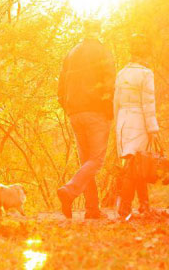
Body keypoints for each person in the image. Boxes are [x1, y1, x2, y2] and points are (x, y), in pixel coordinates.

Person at [57, 19, 116, 220]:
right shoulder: (102, 52)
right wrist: (109, 111)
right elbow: (109, 83)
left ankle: (92, 210)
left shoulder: (71, 53)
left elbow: (61, 86)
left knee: (86, 163)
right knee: (96, 161)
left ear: (84, 31)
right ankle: (69, 191)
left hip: (75, 112)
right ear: (98, 30)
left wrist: (69, 108)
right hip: (95, 111)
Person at [114, 33, 160, 220]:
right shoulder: (146, 74)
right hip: (139, 121)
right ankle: (125, 208)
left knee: (135, 163)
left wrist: (117, 125)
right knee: (135, 166)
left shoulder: (121, 73)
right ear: (145, 54)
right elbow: (148, 103)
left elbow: (115, 102)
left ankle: (144, 205)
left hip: (123, 121)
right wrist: (153, 128)